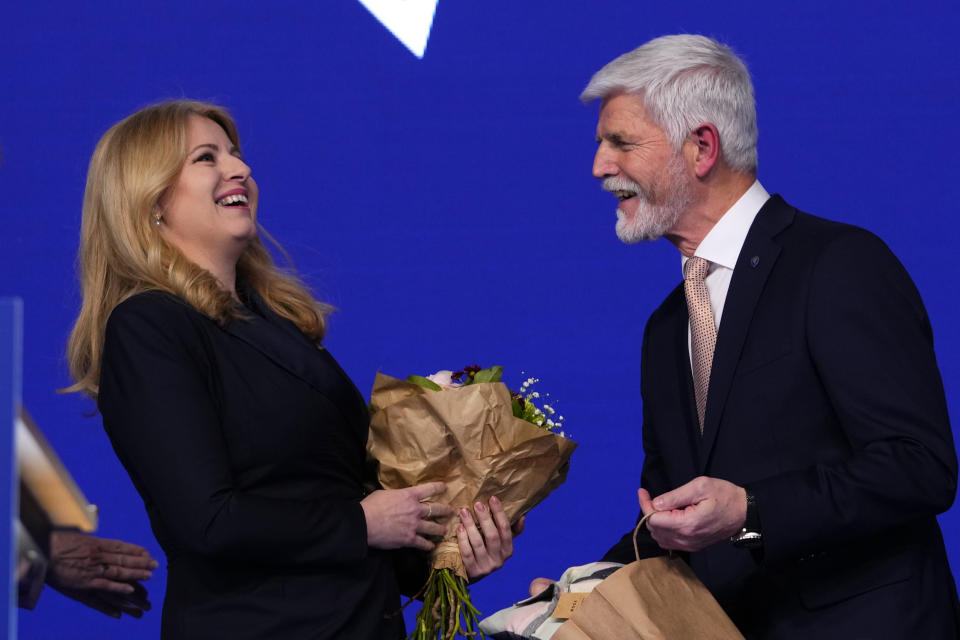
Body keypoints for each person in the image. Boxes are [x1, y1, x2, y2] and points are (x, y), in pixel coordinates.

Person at [533, 34, 960, 638]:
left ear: (702, 147)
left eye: (620, 142)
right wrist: (573, 598)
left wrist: (752, 512)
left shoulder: (837, 265)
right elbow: (674, 519)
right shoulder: (665, 328)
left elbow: (919, 468)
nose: (599, 165)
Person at [65, 100, 516, 639]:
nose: (240, 169)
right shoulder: (148, 327)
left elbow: (345, 511)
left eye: (236, 153)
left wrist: (450, 557)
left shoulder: (275, 321)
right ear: (150, 199)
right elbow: (206, 522)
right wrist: (363, 523)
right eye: (207, 158)